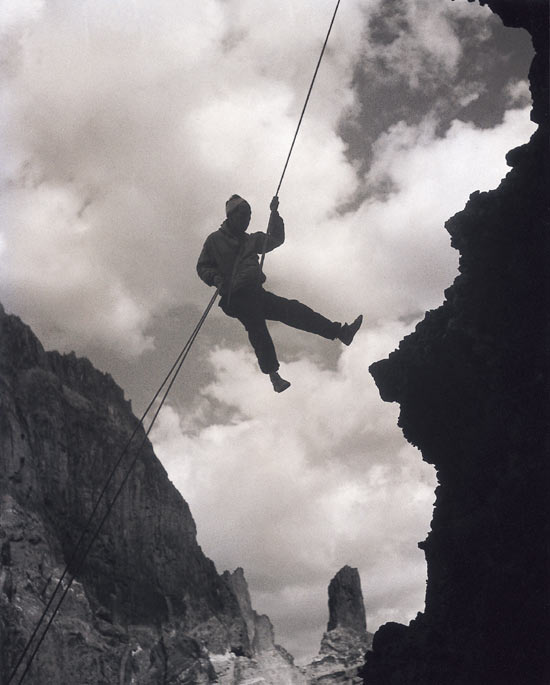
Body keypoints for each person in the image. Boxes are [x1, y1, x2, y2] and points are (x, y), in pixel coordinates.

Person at [196, 194, 363, 393]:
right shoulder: (215, 240)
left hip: (255, 292)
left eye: (249, 215)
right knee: (257, 327)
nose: (247, 219)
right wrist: (216, 279)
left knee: (293, 310)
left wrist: (274, 214)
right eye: (243, 215)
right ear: (231, 216)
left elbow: (275, 239)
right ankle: (274, 375)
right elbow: (203, 266)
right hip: (236, 296)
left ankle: (340, 333)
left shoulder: (252, 240)